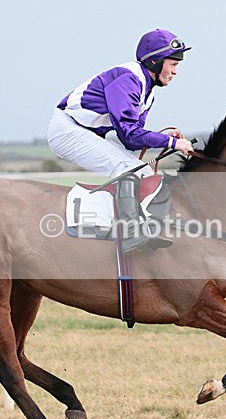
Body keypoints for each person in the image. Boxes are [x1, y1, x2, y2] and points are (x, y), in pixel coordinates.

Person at [47, 29, 194, 254]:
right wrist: (171, 143)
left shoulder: (148, 91)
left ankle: (144, 228)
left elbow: (131, 140)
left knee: (143, 172)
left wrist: (166, 140)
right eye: (172, 65)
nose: (175, 72)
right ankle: (130, 234)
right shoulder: (129, 80)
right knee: (126, 168)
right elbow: (129, 133)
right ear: (155, 61)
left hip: (86, 132)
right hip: (67, 129)